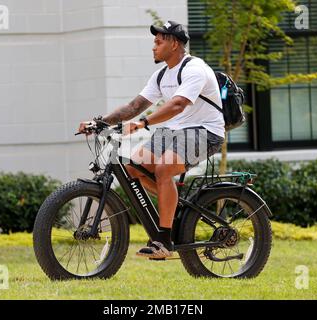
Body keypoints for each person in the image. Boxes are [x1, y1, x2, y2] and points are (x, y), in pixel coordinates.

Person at [78, 21, 225, 259]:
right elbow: (135, 106)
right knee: (133, 168)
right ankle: (175, 209)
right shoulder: (161, 76)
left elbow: (178, 105)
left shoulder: (194, 68)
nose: (153, 47)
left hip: (205, 131)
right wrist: (100, 122)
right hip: (173, 131)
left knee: (164, 167)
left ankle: (163, 239)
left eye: (158, 42)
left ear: (174, 43)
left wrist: (143, 124)